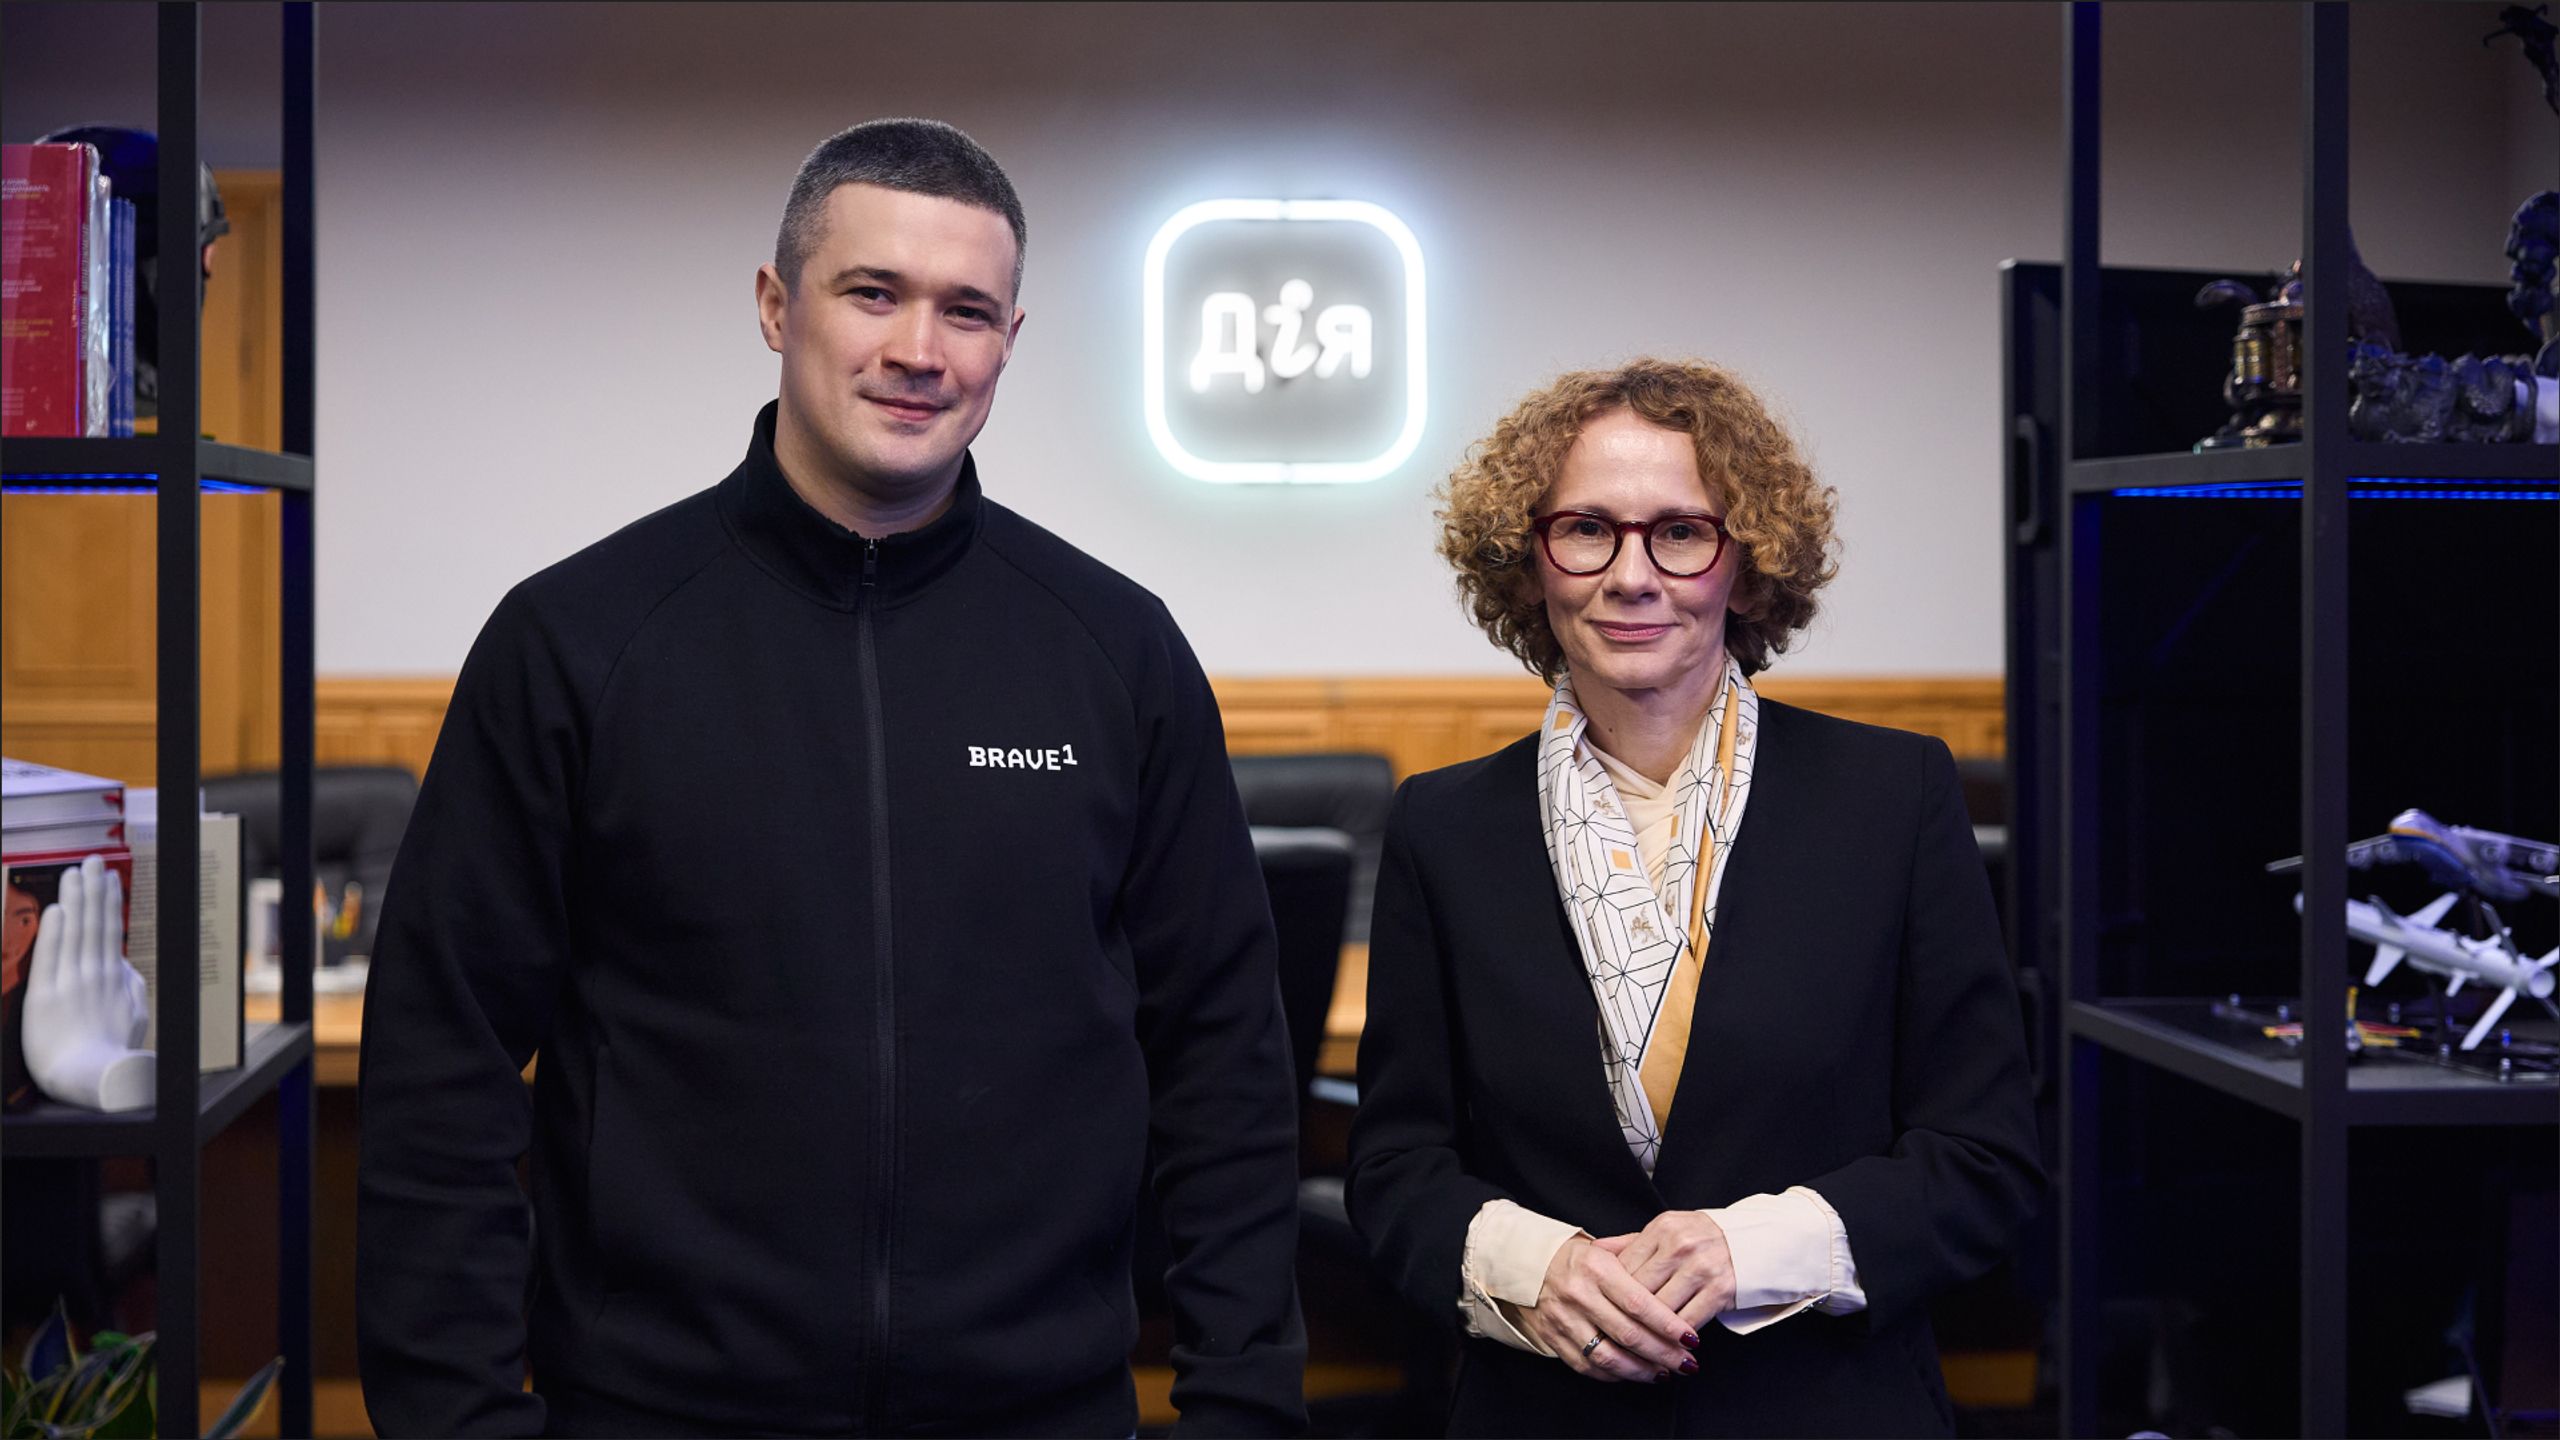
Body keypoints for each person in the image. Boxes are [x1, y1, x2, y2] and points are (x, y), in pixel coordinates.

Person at [357, 119, 1306, 1438]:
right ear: (774, 305)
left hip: (1038, 1409)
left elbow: (1225, 1059)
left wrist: (1246, 1404)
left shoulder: (1115, 651)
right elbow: (438, 1060)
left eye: (966, 310)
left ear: (1010, 340)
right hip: (659, 1409)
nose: (920, 349)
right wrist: (456, 1417)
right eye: (873, 292)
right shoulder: (578, 641)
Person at [1346, 358, 2041, 1437]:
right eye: (1586, 529)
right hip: (1542, 1414)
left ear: (1748, 567)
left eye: (1680, 532)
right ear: (1526, 562)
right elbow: (1395, 1171)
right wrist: (1534, 1268)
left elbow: (1985, 1162)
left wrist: (1747, 1250)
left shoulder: (1893, 797)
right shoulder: (1442, 826)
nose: (1632, 575)